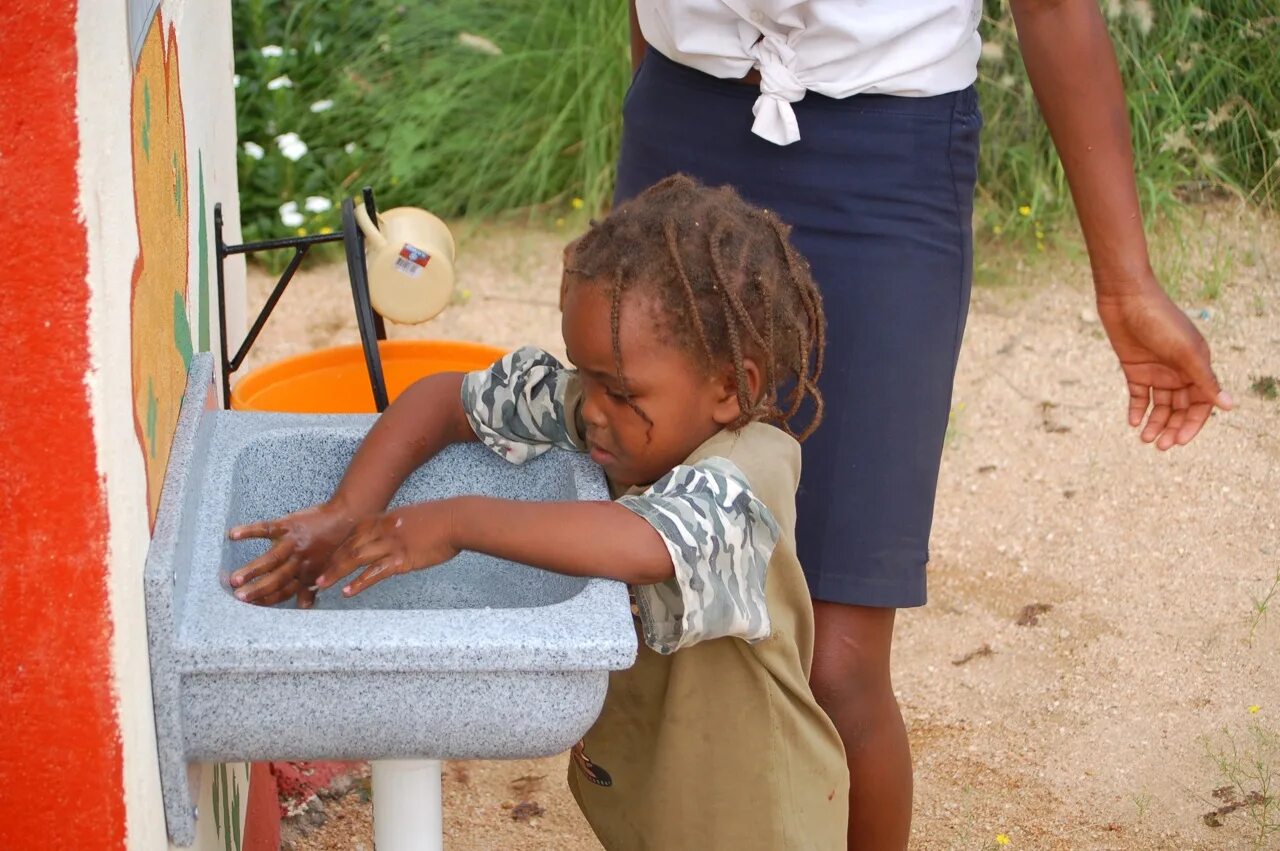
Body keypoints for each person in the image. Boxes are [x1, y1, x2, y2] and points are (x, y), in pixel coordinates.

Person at [617, 1, 1234, 847]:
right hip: (679, 129)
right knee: (664, 611)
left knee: (836, 664)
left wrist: (1126, 287)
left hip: (885, 159)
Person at [228, 175, 850, 849]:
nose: (589, 408)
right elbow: (442, 401)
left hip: (762, 820)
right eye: (585, 375)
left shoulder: (747, 474)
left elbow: (644, 539)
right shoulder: (604, 410)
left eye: (618, 389)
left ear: (732, 388)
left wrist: (454, 521)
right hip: (659, 802)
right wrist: (348, 509)